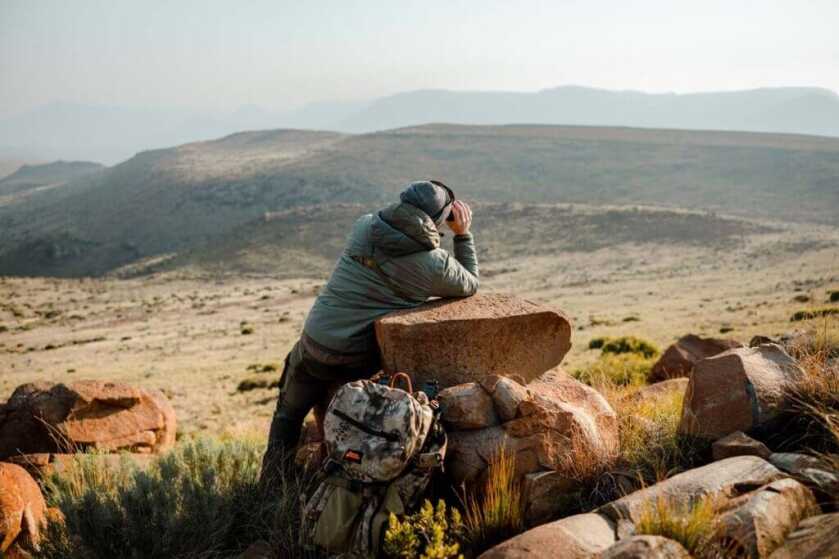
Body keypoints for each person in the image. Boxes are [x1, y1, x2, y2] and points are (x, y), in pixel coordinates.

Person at [260, 180, 479, 482]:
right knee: (352, 424)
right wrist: (462, 234)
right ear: (439, 219)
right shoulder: (435, 265)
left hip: (312, 341)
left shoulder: (364, 227)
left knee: (286, 416)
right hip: (353, 359)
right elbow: (470, 284)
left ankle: (270, 486)